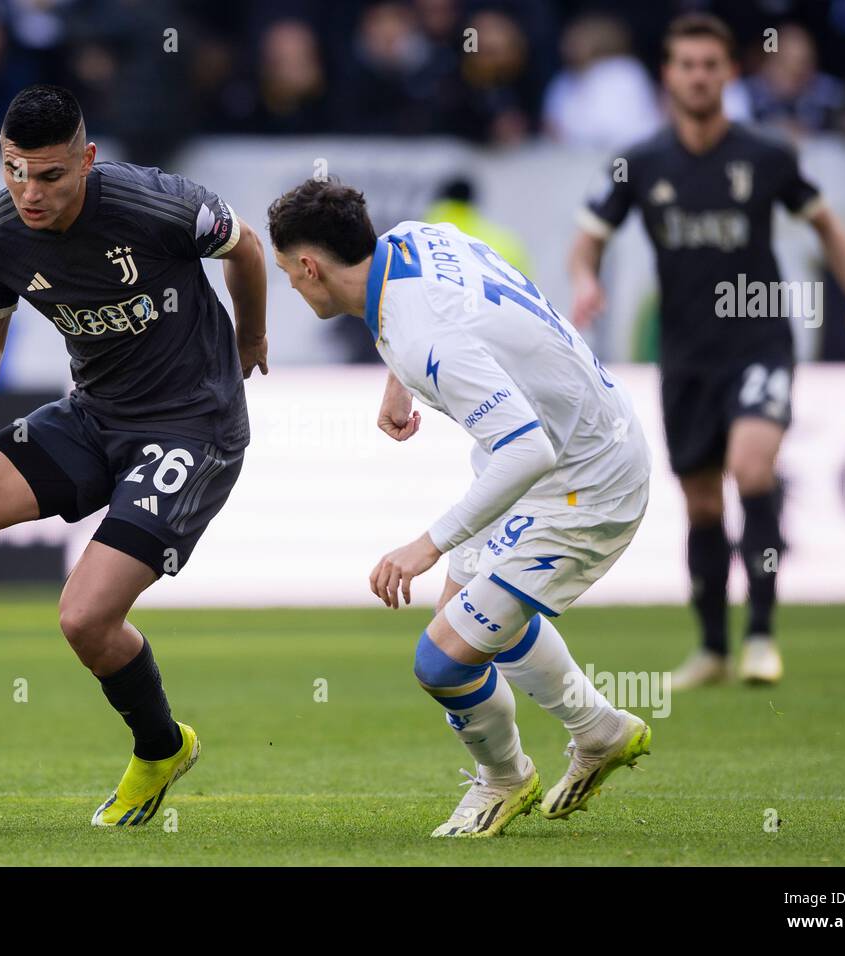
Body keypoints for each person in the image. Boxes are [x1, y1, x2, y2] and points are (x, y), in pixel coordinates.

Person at [0, 85, 268, 828]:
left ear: (86, 160)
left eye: (49, 175)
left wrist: (252, 337)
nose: (28, 193)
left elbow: (247, 246)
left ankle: (160, 746)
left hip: (192, 428)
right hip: (94, 417)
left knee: (84, 619)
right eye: (14, 171)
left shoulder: (157, 205)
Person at [267, 178, 652, 837]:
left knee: (442, 658)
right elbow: (434, 318)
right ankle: (602, 731)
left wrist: (428, 544)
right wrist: (399, 385)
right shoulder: (417, 238)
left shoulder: (422, 338)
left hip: (583, 483)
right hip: (568, 440)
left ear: (310, 266)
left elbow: (523, 450)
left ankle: (505, 781)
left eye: (288, 275)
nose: (294, 290)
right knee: (463, 620)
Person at [568, 14, 845, 688]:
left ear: (729, 72)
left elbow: (827, 224)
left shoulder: (766, 154)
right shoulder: (639, 161)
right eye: (687, 64)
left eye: (711, 64)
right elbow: (589, 235)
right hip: (685, 355)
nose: (700, 76)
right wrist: (586, 280)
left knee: (751, 467)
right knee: (703, 503)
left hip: (760, 340)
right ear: (668, 74)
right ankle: (712, 647)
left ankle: (762, 635)